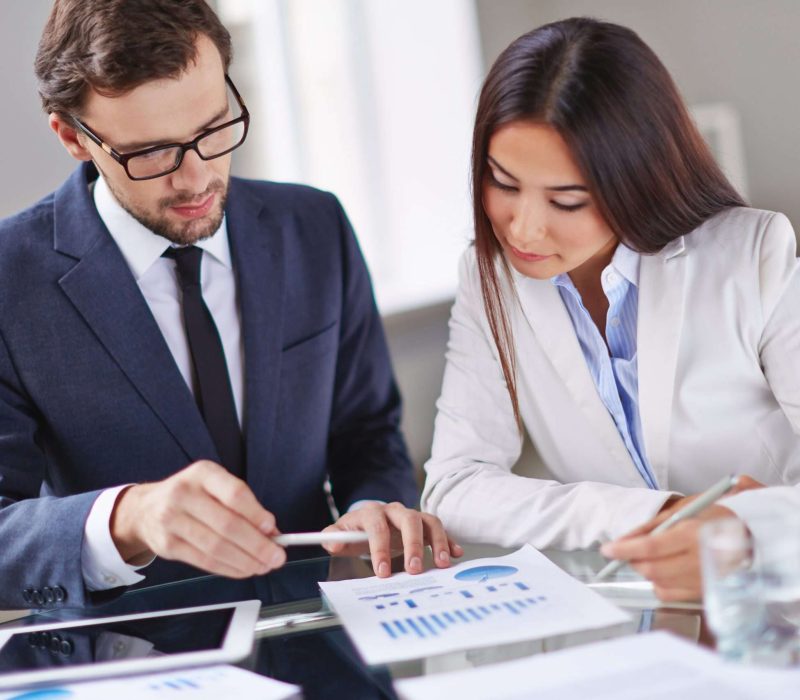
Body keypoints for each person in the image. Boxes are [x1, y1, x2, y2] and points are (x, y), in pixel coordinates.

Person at [0, 0, 459, 610]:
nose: (195, 179)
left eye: (215, 130)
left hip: (327, 638)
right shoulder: (11, 278)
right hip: (135, 665)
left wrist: (369, 506)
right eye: (151, 153)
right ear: (71, 137)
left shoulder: (315, 226)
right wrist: (127, 518)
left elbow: (368, 435)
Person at [421, 17, 800, 600]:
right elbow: (455, 486)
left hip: (773, 606)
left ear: (637, 179)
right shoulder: (487, 274)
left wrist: (748, 533)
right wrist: (664, 514)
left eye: (566, 200)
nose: (523, 227)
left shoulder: (755, 254)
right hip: (634, 612)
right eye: (502, 182)